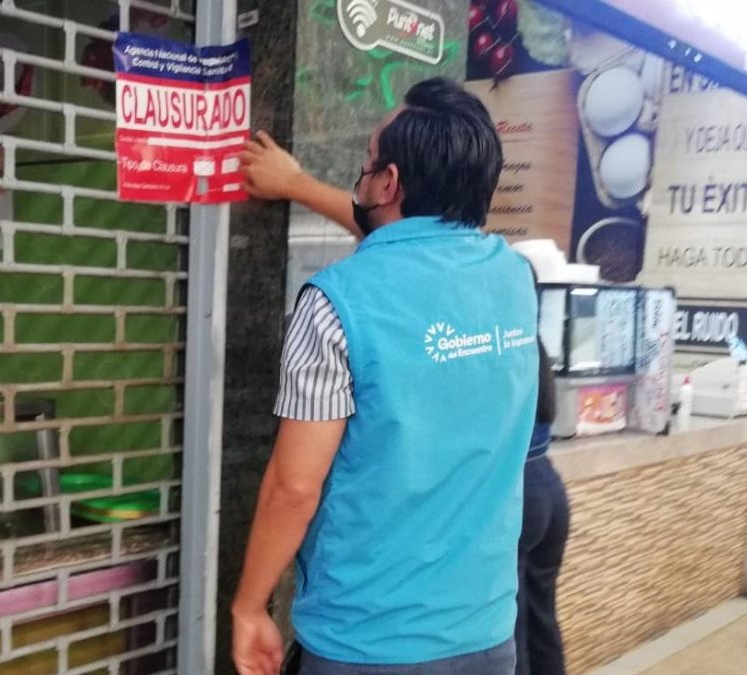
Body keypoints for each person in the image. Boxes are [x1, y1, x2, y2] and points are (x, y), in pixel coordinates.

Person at [231, 77, 540, 675]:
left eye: (368, 165)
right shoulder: (514, 279)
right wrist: (294, 184)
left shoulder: (335, 302)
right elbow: (411, 244)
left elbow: (294, 487)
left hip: (368, 642)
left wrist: (249, 606)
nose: (363, 176)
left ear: (389, 183)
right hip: (487, 634)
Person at [517, 342, 571, 675]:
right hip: (549, 486)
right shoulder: (528, 343)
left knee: (512, 626)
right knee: (542, 617)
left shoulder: (496, 346)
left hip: (519, 492)